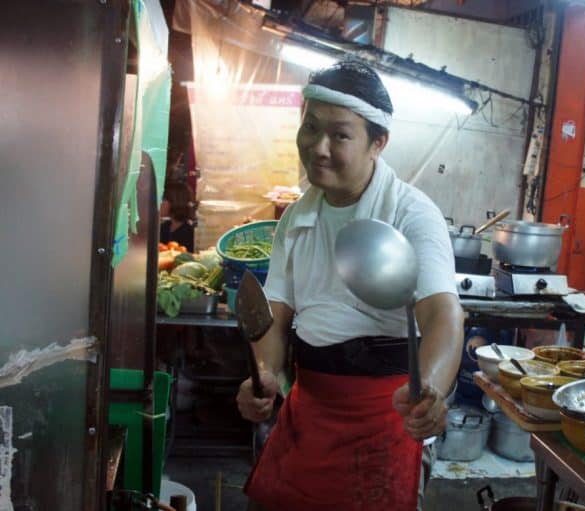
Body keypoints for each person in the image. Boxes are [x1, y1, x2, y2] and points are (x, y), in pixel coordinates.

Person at [235, 61, 464, 511]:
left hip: (386, 412)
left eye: (339, 135)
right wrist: (263, 376)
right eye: (311, 127)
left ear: (378, 142)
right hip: (310, 408)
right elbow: (276, 316)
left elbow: (442, 315)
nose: (318, 147)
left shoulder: (411, 214)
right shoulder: (298, 218)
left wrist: (431, 389)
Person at [159, 181, 195, 252]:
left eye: (163, 199)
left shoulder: (189, 233)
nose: (160, 203)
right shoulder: (164, 227)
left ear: (174, 201)